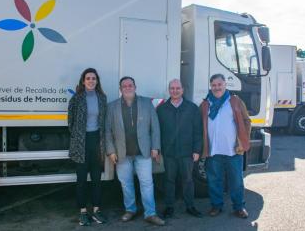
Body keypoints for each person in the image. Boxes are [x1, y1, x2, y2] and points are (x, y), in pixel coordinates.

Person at [105, 76, 165, 226]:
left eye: (130, 85)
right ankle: (130, 210)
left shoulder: (146, 103)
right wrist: (111, 151)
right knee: (126, 183)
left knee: (147, 183)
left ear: (135, 87)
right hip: (122, 153)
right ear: (120, 89)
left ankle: (150, 213)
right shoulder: (112, 106)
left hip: (143, 152)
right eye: (124, 86)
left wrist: (155, 147)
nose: (127, 87)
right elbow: (107, 131)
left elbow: (155, 127)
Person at [200, 73, 252, 218]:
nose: (217, 88)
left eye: (219, 84)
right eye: (214, 85)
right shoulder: (205, 104)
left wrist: (243, 140)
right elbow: (199, 125)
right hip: (213, 151)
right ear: (210, 87)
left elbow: (247, 121)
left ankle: (239, 207)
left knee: (236, 181)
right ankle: (216, 206)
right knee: (214, 180)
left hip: (233, 150)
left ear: (225, 85)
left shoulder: (234, 101)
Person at [157, 79, 203, 218]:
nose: (175, 91)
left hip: (187, 152)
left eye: (178, 88)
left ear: (183, 90)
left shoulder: (192, 108)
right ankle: (169, 207)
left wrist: (197, 150)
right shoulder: (162, 109)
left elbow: (198, 131)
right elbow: (157, 131)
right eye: (172, 88)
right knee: (169, 180)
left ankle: (190, 206)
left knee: (188, 180)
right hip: (169, 153)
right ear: (169, 90)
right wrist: (158, 149)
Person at [68, 68, 108, 226]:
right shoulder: (76, 98)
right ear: (83, 81)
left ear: (97, 81)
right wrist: (79, 136)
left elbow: (103, 121)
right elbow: (70, 122)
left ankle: (97, 209)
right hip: (81, 142)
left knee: (97, 178)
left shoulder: (102, 98)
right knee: (82, 179)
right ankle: (83, 212)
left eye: (93, 78)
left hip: (97, 141)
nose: (91, 81)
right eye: (88, 78)